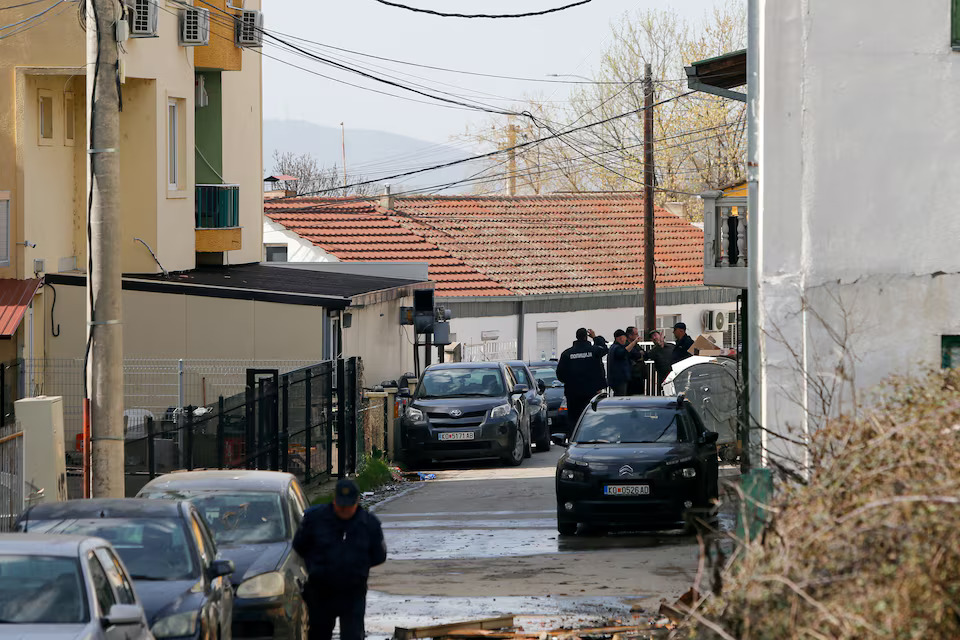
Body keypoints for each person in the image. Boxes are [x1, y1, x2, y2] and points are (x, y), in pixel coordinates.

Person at [293, 479, 387, 640]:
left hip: (353, 592)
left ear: (357, 501)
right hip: (320, 591)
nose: (344, 510)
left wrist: (357, 567)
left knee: (352, 635)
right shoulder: (315, 519)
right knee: (318, 634)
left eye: (348, 506)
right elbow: (300, 545)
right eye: (341, 505)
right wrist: (316, 565)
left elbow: (379, 555)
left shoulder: (369, 524)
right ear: (334, 499)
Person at [556, 328, 608, 435]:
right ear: (586, 337)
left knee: (574, 419)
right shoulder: (594, 351)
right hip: (592, 392)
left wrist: (571, 382)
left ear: (576, 337)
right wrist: (595, 337)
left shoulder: (567, 354)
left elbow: (560, 374)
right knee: (592, 417)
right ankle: (592, 437)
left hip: (573, 392)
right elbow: (604, 348)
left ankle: (574, 439)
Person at [607, 329, 640, 396]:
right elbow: (623, 353)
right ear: (621, 338)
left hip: (616, 379)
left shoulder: (613, 347)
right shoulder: (617, 348)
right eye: (625, 337)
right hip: (619, 380)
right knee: (620, 398)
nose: (626, 340)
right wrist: (634, 342)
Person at [625, 325, 647, 395]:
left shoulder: (636, 345)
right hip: (632, 375)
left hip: (639, 374)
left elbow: (644, 354)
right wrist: (640, 354)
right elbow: (636, 355)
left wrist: (641, 354)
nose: (638, 336)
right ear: (630, 335)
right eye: (636, 334)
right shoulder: (627, 345)